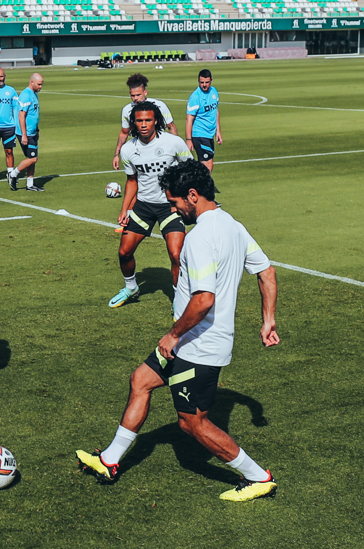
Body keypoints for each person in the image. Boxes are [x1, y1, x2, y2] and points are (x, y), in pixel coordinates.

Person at [77, 160, 281, 502]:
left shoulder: (200, 236)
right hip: (190, 341)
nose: (173, 210)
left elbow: (203, 299)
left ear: (192, 195)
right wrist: (268, 319)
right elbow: (267, 272)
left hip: (198, 346)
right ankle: (110, 460)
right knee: (140, 380)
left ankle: (258, 477)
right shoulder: (233, 225)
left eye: (175, 203)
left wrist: (172, 335)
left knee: (192, 424)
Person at [108, 101, 193, 308]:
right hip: (144, 207)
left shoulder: (174, 142)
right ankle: (131, 287)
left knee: (175, 254)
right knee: (124, 252)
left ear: (156, 121)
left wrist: (184, 201)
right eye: (139, 121)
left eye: (148, 120)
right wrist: (125, 210)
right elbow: (132, 181)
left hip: (170, 207)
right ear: (134, 123)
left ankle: (179, 300)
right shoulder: (128, 150)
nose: (144, 124)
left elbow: (191, 169)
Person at [112, 73, 178, 170]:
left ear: (145, 92)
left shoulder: (160, 106)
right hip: (140, 151)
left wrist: (176, 147)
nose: (136, 98)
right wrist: (116, 154)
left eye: (138, 95)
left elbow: (171, 126)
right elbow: (124, 133)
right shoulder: (127, 110)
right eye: (133, 95)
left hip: (160, 148)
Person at [12, 73, 44, 192]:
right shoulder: (25, 95)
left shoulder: (33, 94)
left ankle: (30, 184)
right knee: (33, 158)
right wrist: (24, 135)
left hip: (32, 132)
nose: (40, 87)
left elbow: (33, 114)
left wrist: (37, 130)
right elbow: (21, 115)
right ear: (32, 82)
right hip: (25, 133)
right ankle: (13, 174)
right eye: (39, 84)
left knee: (32, 157)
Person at [185, 69, 222, 172]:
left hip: (210, 134)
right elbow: (189, 119)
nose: (204, 85)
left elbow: (215, 111)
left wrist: (218, 131)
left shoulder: (214, 91)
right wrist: (189, 140)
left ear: (211, 81)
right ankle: (203, 187)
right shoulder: (195, 97)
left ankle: (197, 185)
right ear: (198, 81)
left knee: (205, 165)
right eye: (202, 82)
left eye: (207, 82)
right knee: (207, 165)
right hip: (200, 134)